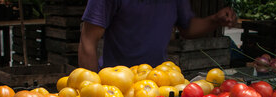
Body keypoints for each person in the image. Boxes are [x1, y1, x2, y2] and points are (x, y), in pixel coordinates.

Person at [78, 0, 237, 72]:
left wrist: (215, 20)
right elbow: (88, 40)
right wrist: (93, 92)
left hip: (158, 83)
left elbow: (187, 28)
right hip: (117, 86)